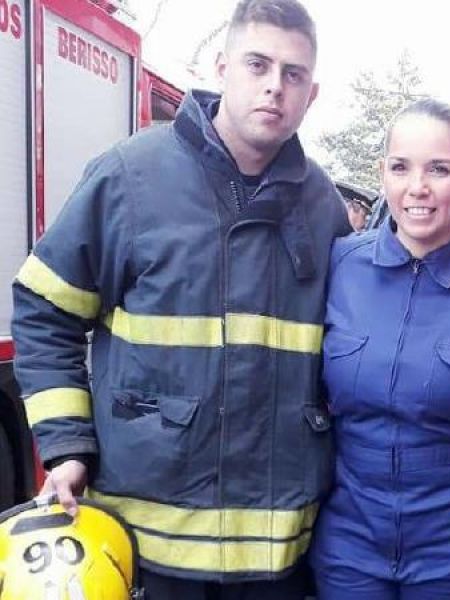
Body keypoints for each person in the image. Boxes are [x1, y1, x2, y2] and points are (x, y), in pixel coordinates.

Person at [11, 1, 350, 598]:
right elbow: (46, 309)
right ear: (222, 67)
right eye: (257, 64)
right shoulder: (130, 177)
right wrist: (66, 445)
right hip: (150, 550)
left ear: (311, 93)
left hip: (278, 558)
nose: (274, 86)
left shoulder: (323, 207)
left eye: (293, 74)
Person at [309, 98, 450, 599]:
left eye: (439, 169)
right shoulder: (339, 267)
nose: (418, 187)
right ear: (382, 173)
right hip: (350, 539)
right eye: (401, 167)